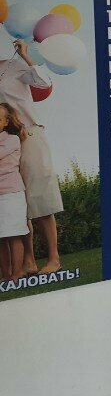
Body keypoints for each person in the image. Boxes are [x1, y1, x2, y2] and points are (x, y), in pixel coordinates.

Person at [0, 39, 62, 274]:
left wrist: (26, 55)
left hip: (29, 133)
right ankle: (29, 261)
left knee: (41, 197)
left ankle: (54, 258)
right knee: (17, 201)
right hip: (5, 141)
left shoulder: (14, 65)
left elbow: (44, 83)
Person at [0, 102, 29, 284]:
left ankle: (18, 272)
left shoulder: (12, 139)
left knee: (13, 234)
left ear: (6, 122)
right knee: (1, 238)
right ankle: (6, 275)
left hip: (11, 194)